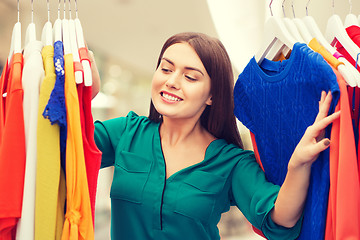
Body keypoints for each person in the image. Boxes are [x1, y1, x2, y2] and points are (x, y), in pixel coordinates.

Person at [90, 32, 340, 240]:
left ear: (212, 95)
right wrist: (85, 96)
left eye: (190, 76)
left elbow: (281, 218)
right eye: (166, 69)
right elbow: (66, 151)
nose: (172, 81)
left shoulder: (231, 162)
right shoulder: (126, 132)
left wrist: (298, 164)